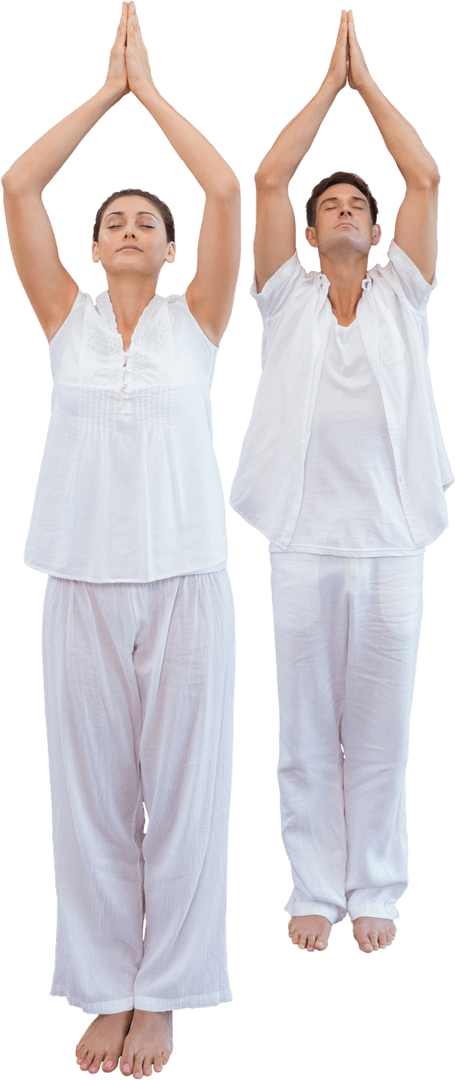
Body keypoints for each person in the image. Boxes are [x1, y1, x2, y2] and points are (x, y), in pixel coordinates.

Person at [2, 2, 240, 1075]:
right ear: (94, 250)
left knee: (186, 792)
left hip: (187, 577)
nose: (132, 228)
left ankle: (168, 993)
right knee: (90, 795)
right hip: (81, 578)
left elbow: (225, 191)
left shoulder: (200, 322)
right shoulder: (68, 322)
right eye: (115, 222)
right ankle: (105, 986)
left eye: (148, 220)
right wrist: (105, 93)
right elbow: (18, 188)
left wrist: (152, 93)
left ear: (172, 248)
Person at [230, 9, 453, 956]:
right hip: (302, 541)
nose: (347, 211)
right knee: (306, 728)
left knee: (380, 727)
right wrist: (328, 87)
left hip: (392, 540)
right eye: (332, 207)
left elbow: (424, 176)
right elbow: (268, 179)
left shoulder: (405, 293)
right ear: (313, 232)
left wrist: (369, 85)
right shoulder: (283, 297)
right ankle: (313, 887)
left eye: (358, 204)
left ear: (378, 230)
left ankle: (376, 890)